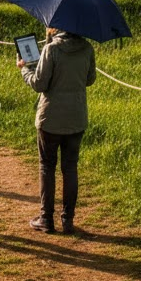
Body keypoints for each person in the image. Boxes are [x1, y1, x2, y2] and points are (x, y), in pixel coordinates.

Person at [17, 27, 96, 234]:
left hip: (50, 117)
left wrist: (24, 69)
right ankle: (68, 220)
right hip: (76, 117)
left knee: (47, 167)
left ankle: (46, 218)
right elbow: (90, 79)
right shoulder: (87, 48)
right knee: (70, 168)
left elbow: (39, 84)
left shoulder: (51, 50)